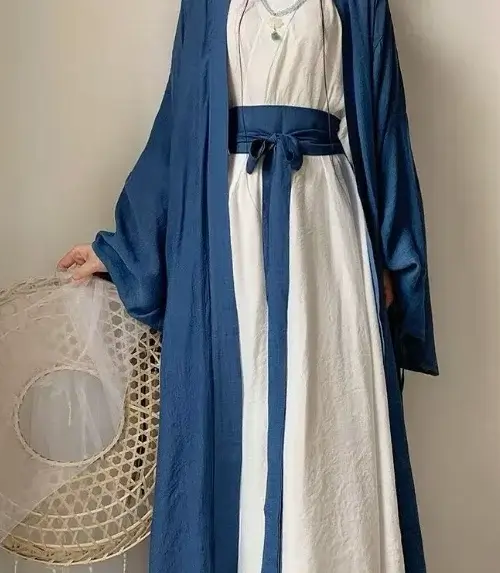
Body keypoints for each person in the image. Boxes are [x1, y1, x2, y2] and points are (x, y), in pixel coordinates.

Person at [58, 1, 438, 572]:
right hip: (225, 226)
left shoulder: (361, 5)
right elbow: (178, 124)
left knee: (324, 401)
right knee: (239, 400)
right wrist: (123, 248)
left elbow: (384, 128)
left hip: (324, 230)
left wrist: (389, 257)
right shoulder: (205, 6)